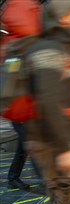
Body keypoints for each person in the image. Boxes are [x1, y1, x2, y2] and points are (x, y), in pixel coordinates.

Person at [24, 0, 70, 204]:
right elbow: (48, 100)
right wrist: (65, 147)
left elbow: (65, 102)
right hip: (49, 142)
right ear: (64, 18)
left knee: (65, 202)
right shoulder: (49, 50)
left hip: (55, 140)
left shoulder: (63, 50)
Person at [1, 0, 42, 190]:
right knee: (32, 143)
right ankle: (47, 181)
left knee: (24, 145)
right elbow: (11, 79)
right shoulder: (15, 48)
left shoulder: (25, 46)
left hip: (26, 106)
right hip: (18, 107)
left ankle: (13, 177)